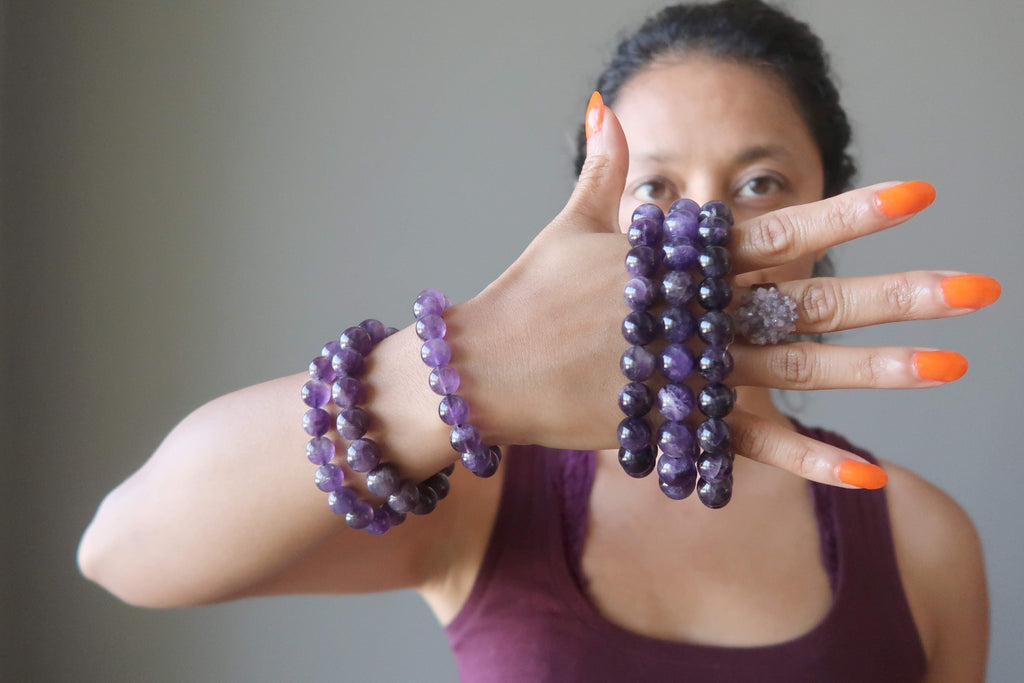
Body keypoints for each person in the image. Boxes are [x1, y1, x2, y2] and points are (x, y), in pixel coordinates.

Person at [78, 1, 993, 680]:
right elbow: (125, 551)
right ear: (595, 224)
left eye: (760, 183)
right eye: (657, 191)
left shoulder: (924, 541)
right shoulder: (485, 492)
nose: (709, 227)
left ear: (823, 216)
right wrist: (467, 361)